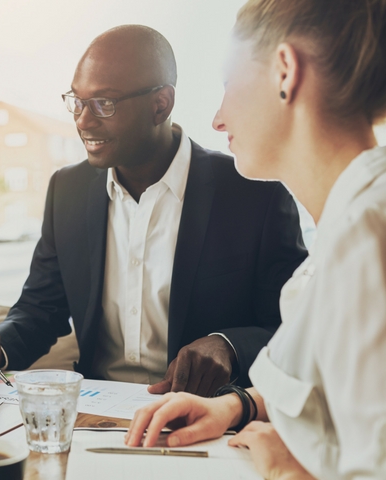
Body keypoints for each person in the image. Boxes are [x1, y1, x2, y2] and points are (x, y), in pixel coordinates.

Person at [0, 25, 307, 395]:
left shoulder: (254, 193)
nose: (83, 120)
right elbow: (40, 309)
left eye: (105, 103)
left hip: (206, 414)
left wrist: (227, 345)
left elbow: (296, 326)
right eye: (77, 101)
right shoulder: (66, 190)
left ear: (160, 104)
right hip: (93, 412)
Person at [125, 1, 386, 478]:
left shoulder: (368, 240)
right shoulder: (347, 228)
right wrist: (238, 407)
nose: (218, 120)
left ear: (285, 72)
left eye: (228, 84)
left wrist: (290, 471)